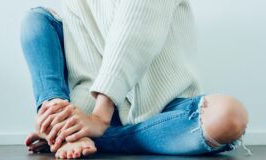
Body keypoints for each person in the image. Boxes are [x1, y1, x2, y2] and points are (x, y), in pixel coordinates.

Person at [20, 1, 250, 159]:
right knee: (37, 20)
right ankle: (57, 124)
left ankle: (97, 139)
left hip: (164, 109)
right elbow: (86, 69)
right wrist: (74, 120)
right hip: (101, 110)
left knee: (230, 115)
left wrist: (99, 119)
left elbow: (133, 36)